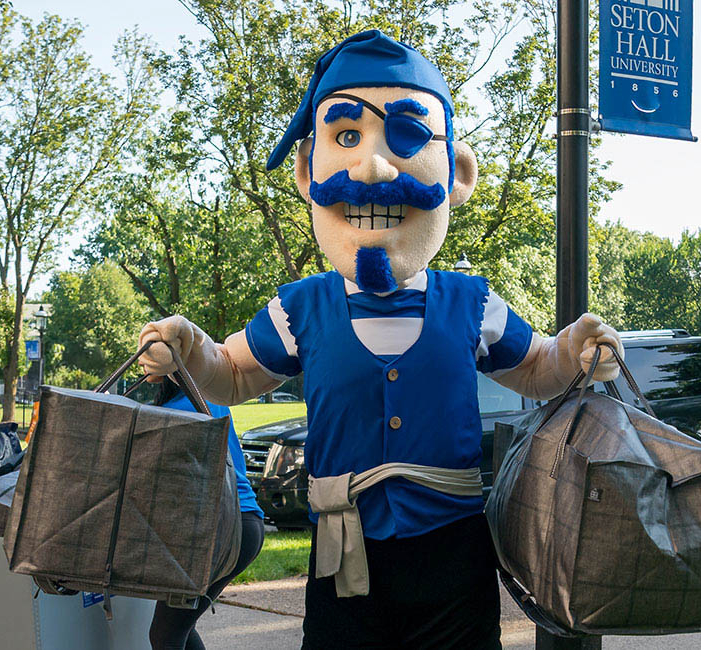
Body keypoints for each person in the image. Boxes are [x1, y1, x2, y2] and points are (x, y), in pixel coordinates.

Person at [136, 30, 623, 649]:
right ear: (308, 170)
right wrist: (188, 348)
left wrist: (574, 349)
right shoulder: (300, 308)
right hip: (343, 556)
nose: (372, 166)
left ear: (457, 173)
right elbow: (231, 373)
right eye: (345, 137)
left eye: (409, 135)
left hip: (452, 556)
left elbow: (536, 366)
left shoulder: (472, 304)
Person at [145, 377, 265, 650]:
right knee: (177, 629)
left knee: (166, 635)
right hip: (245, 522)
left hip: (223, 529)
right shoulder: (205, 397)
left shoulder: (181, 410)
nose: (141, 361)